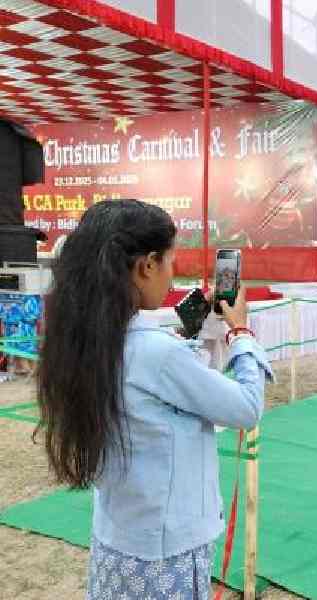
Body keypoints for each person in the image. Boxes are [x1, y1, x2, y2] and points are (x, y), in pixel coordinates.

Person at [36, 199, 272, 599]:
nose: (170, 273)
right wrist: (240, 331)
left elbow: (167, 378)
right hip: (167, 553)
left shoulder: (87, 340)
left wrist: (204, 326)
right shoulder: (156, 353)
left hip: (118, 539)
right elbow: (247, 407)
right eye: (169, 262)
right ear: (146, 266)